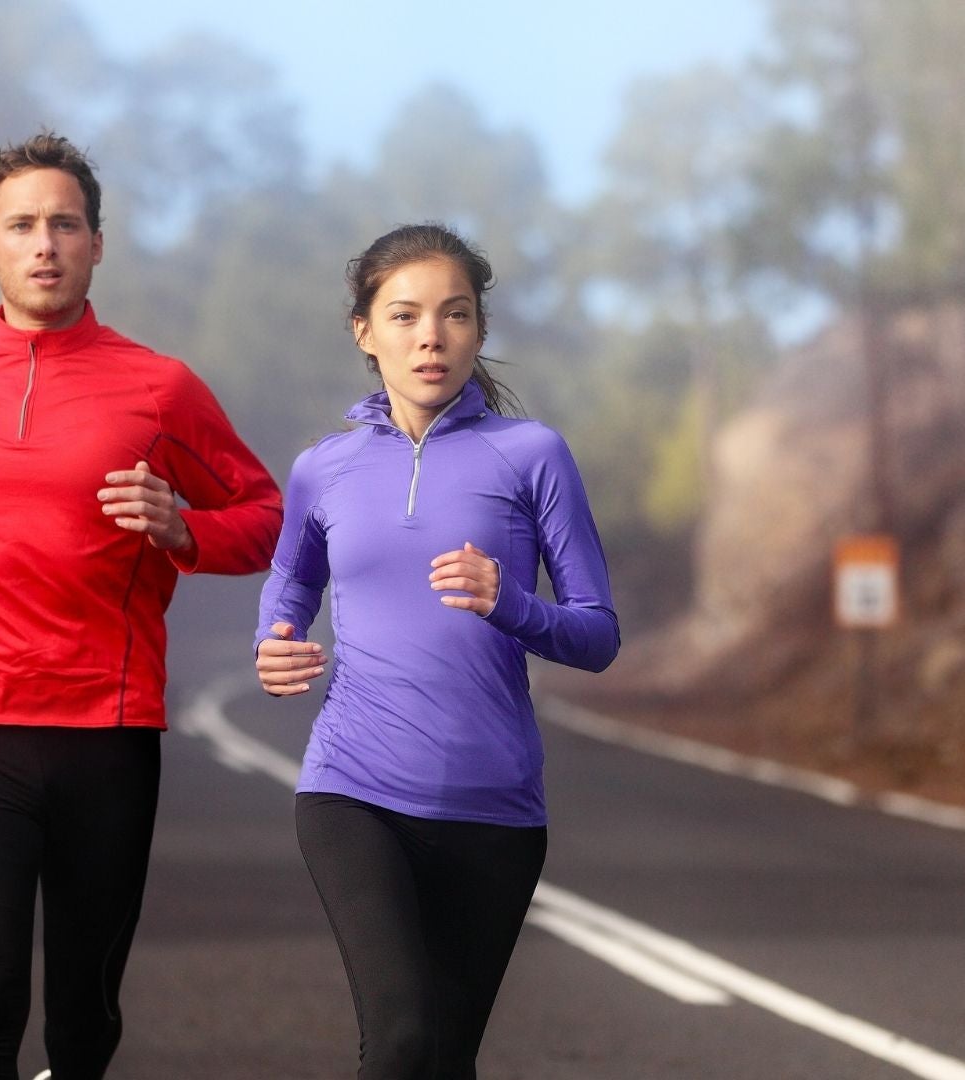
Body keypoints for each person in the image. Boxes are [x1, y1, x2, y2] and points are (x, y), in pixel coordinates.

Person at [0, 131, 282, 1080]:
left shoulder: (159, 388)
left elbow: (265, 515)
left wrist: (183, 531)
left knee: (84, 1023)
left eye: (64, 223)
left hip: (105, 731)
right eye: (21, 225)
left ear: (96, 244)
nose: (44, 242)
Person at [253, 223, 620, 1078]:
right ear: (365, 331)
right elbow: (292, 581)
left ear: (479, 332)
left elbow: (598, 634)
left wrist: (513, 604)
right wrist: (275, 639)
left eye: (454, 315)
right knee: (403, 1039)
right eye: (406, 315)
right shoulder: (325, 468)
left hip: (495, 808)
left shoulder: (533, 456)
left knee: (445, 1060)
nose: (431, 337)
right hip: (355, 791)